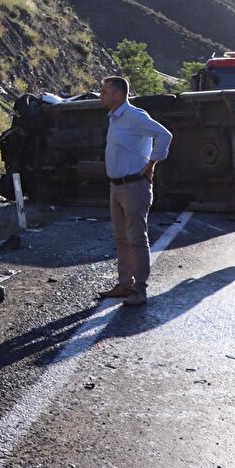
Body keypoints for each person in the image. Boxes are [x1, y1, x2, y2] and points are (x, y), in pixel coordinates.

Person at [97, 76, 173, 306]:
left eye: (104, 91)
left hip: (134, 186)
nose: (100, 95)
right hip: (116, 186)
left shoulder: (135, 116)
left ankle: (140, 290)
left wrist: (152, 163)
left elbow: (165, 135)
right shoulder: (114, 117)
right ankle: (125, 284)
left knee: (137, 238)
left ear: (118, 95)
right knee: (121, 238)